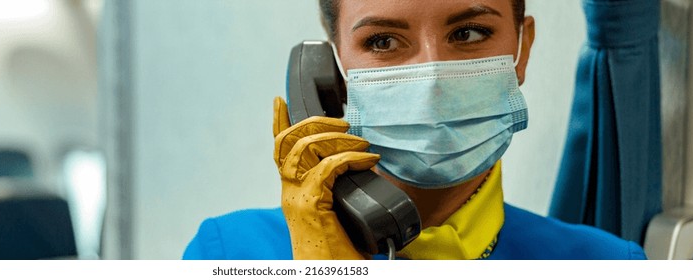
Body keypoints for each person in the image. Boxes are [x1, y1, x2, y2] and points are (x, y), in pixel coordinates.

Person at [183, 0, 646, 260]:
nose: (432, 79)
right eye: (382, 41)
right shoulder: (226, 252)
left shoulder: (608, 264)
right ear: (333, 73)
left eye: (468, 33)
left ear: (520, 52)